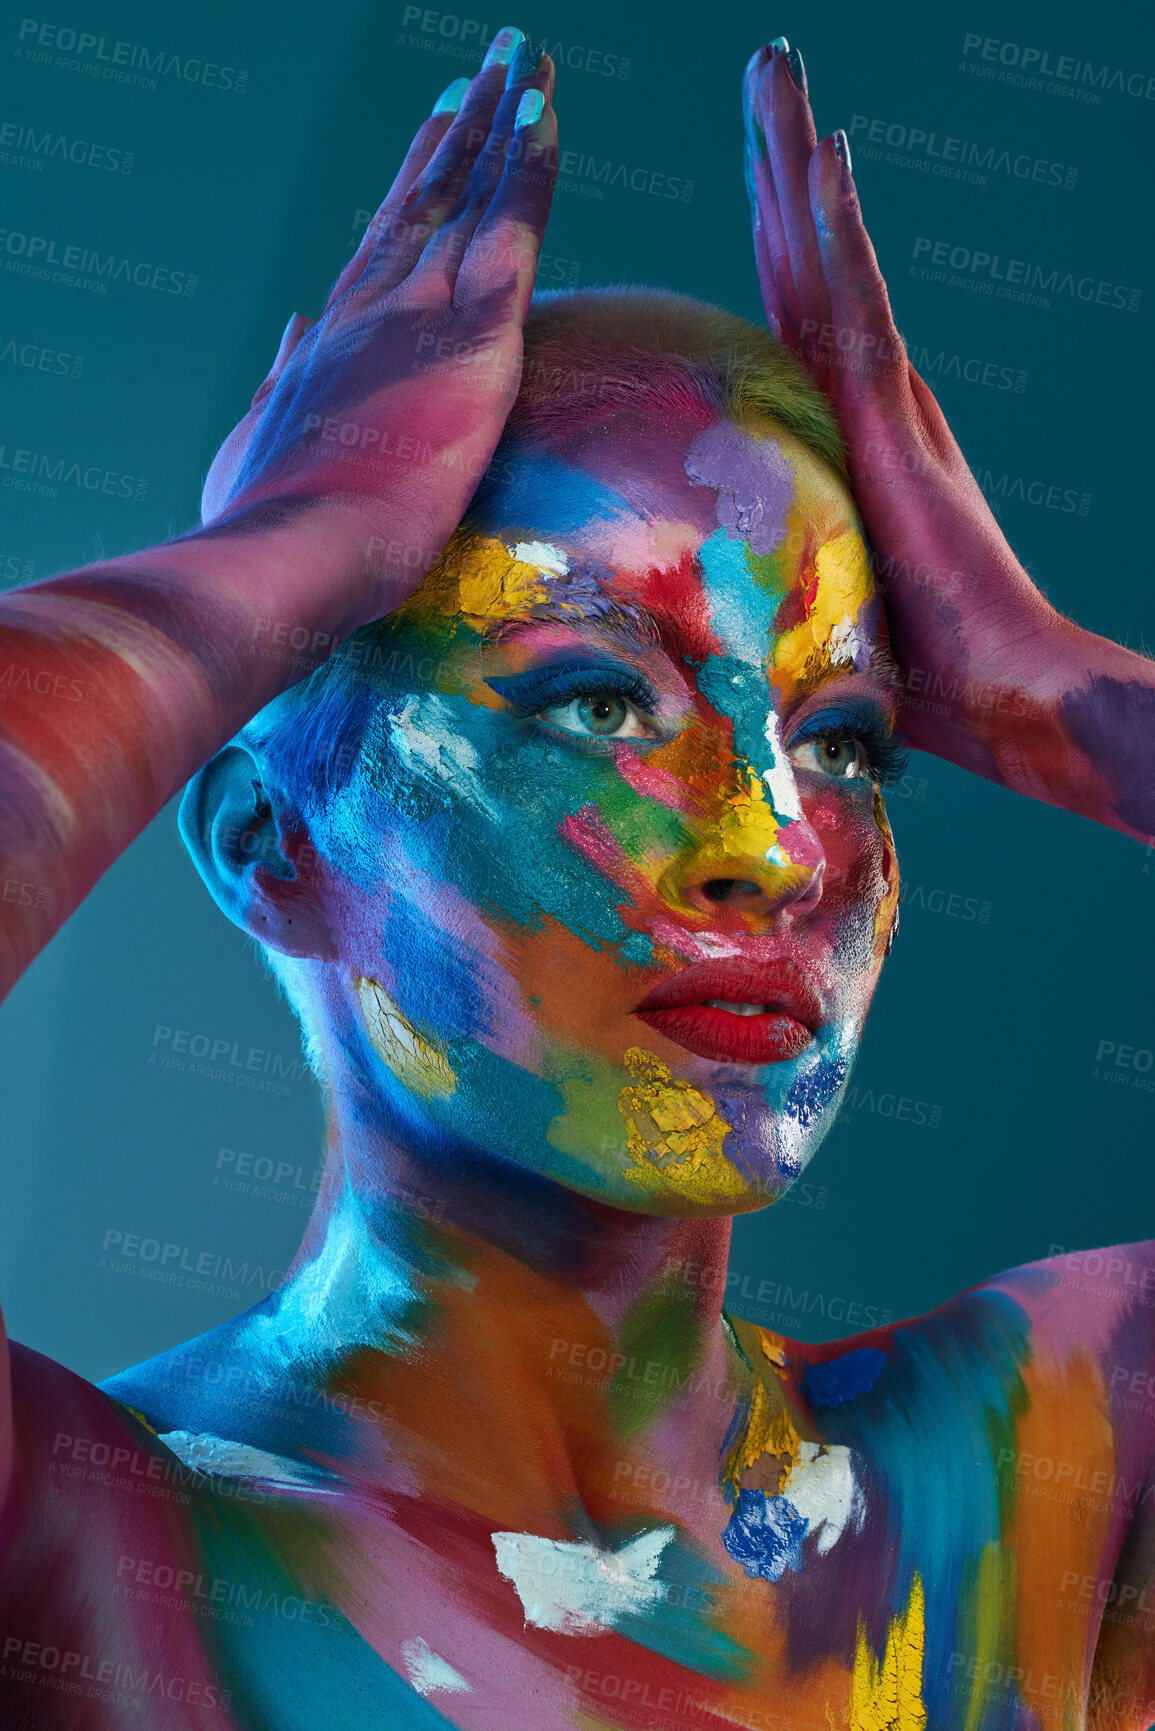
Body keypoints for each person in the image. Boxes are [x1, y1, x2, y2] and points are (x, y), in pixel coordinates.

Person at [0, 27, 1152, 1730]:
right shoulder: (99, 1553)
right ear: (267, 841)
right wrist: (282, 558)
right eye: (597, 700)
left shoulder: (1053, 1462)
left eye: (843, 740)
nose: (769, 844)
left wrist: (1050, 689)